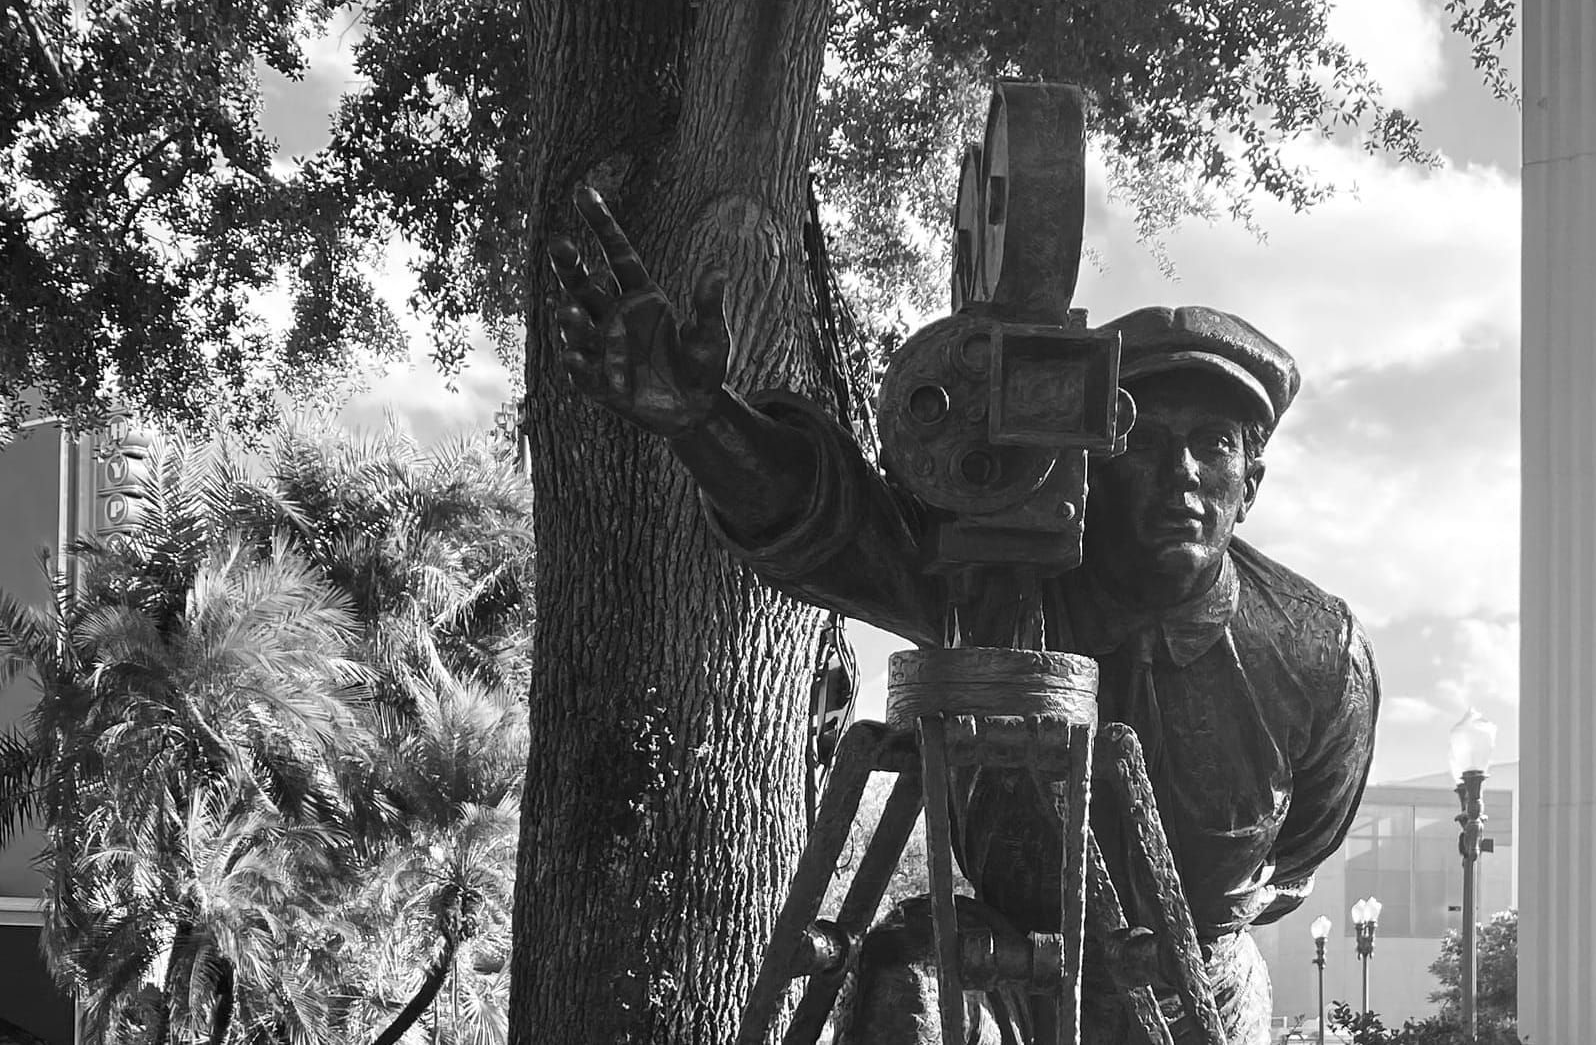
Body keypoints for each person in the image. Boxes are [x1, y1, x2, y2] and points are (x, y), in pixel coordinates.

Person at [549, 187, 1380, 1044]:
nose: (1182, 473)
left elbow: (1294, 860)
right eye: (1142, 437)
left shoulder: (1321, 652)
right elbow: (833, 522)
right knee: (902, 968)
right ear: (1090, 454)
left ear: (1253, 485)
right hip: (1014, 972)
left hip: (1200, 993)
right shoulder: (998, 576)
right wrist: (705, 422)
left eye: (1214, 443)